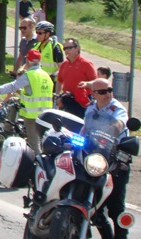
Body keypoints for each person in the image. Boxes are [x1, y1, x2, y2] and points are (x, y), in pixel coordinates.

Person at [77, 78, 131, 239]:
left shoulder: (117, 108)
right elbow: (86, 127)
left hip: (116, 161)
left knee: (116, 209)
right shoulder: (91, 108)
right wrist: (76, 141)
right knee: (93, 207)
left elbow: (118, 124)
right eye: (102, 92)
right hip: (96, 159)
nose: (107, 94)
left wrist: (106, 136)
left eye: (109, 90)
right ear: (94, 94)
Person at [0, 49, 53, 154]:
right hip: (46, 115)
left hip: (32, 115)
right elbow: (37, 93)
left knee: (34, 145)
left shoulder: (30, 75)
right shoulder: (46, 75)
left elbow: (13, 86)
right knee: (42, 143)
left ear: (28, 61)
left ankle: (39, 165)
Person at [55, 37, 96, 118]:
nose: (66, 51)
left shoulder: (86, 64)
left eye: (69, 48)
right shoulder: (64, 64)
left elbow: (95, 82)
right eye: (65, 48)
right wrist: (58, 96)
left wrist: (86, 84)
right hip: (67, 101)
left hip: (82, 102)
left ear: (77, 48)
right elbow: (59, 81)